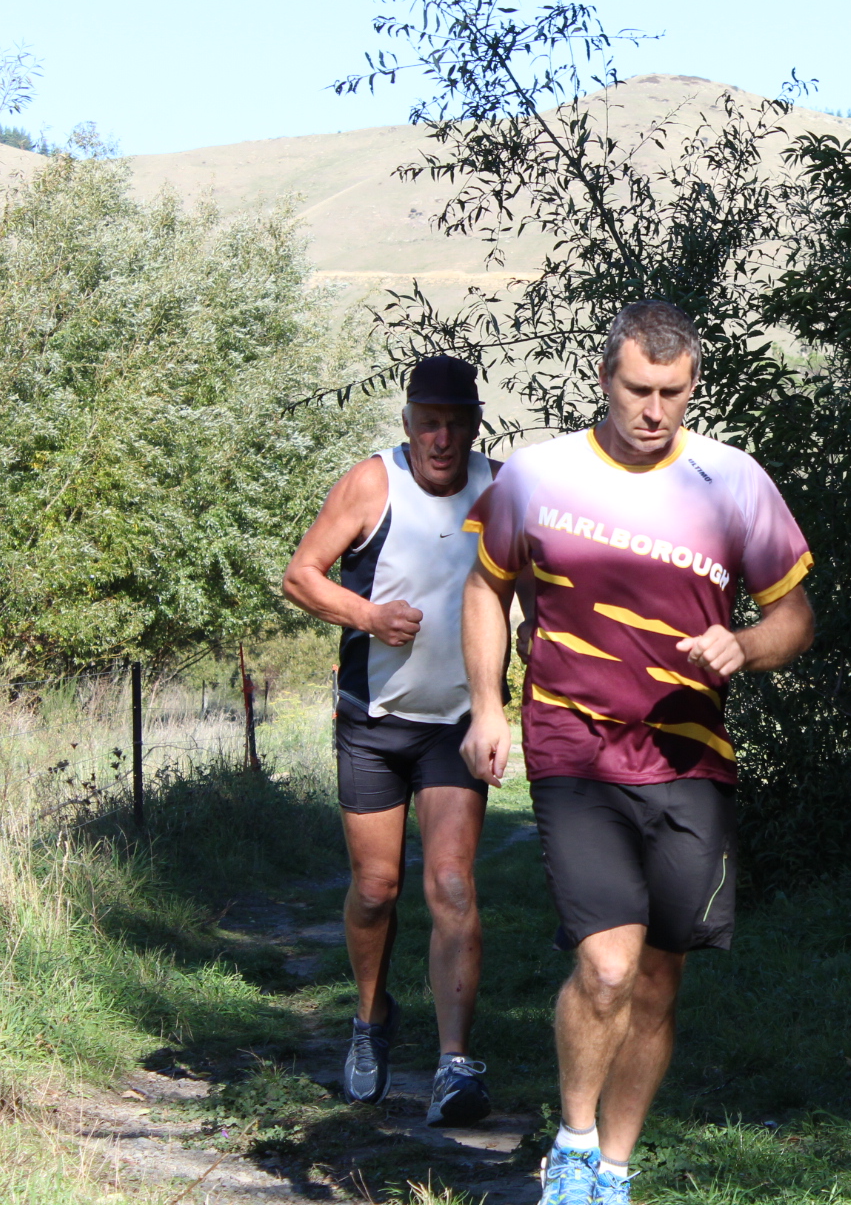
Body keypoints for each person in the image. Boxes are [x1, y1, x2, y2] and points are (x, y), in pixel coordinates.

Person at [458, 300, 815, 1205]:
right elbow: (486, 587)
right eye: (637, 390)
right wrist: (487, 708)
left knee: (656, 981)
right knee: (608, 967)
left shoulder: (731, 481)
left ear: (692, 387)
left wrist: (746, 644)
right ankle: (573, 1149)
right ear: (604, 379)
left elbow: (794, 617)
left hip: (691, 760)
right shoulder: (537, 476)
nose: (654, 411)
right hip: (573, 747)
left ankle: (614, 1169)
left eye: (673, 393)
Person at [281, 355, 499, 1127]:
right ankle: (371, 1018)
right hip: (373, 723)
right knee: (377, 889)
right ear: (408, 423)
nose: (441, 438)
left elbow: (537, 593)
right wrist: (368, 616)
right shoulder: (372, 484)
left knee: (451, 885)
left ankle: (454, 1066)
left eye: (455, 423)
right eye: (428, 423)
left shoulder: (500, 490)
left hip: (456, 726)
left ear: (474, 425)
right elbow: (302, 575)